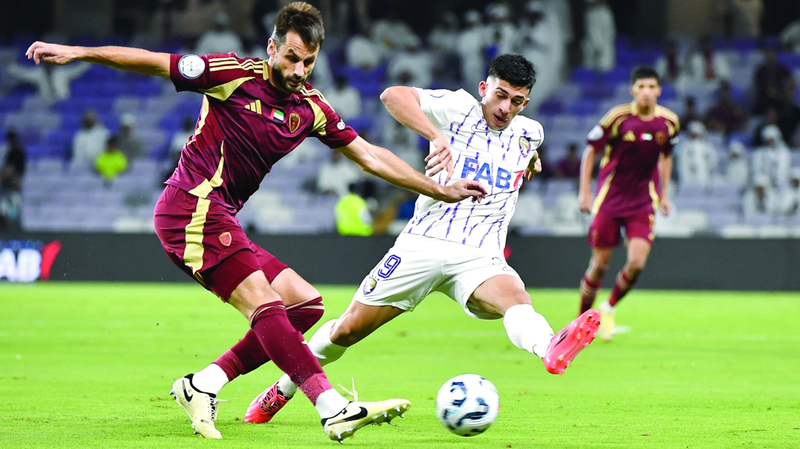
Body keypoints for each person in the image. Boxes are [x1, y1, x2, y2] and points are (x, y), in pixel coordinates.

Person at [26, 2, 487, 442]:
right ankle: (332, 408)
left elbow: (369, 155)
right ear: (272, 48)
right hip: (190, 207)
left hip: (219, 216)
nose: (299, 70)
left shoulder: (310, 107)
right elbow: (153, 61)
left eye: (309, 62)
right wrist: (79, 52)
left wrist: (439, 190)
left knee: (304, 306)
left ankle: (203, 384)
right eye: (292, 58)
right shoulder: (231, 74)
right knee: (265, 304)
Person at [242, 54, 600, 425]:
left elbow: (527, 148)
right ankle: (284, 387)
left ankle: (549, 346)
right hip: (423, 243)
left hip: (479, 253)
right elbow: (392, 96)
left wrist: (533, 160)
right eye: (500, 95)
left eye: (516, 101)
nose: (506, 107)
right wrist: (435, 135)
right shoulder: (457, 108)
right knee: (348, 329)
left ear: (526, 103)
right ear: (484, 88)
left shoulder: (530, 133)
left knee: (515, 298)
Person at [577, 66, 680, 342]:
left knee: (636, 263)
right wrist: (585, 192)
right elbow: (590, 150)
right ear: (633, 89)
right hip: (610, 200)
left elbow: (666, 156)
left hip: (643, 202)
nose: (646, 92)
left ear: (659, 90)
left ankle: (609, 307)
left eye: (651, 87)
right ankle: (579, 323)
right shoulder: (617, 117)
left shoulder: (669, 122)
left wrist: (664, 195)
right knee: (599, 266)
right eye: (641, 86)